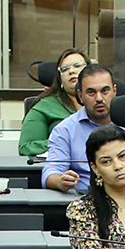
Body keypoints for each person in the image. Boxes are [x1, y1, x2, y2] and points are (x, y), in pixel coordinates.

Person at [42, 62, 118, 193]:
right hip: (85, 197)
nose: (99, 98)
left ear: (114, 91)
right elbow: (51, 172)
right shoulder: (65, 130)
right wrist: (60, 181)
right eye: (91, 92)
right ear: (81, 96)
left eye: (105, 91)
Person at [19, 48, 86, 156]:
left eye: (77, 65)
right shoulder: (45, 106)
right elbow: (26, 147)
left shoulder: (103, 103)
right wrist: (63, 143)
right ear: (60, 78)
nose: (71, 71)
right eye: (64, 69)